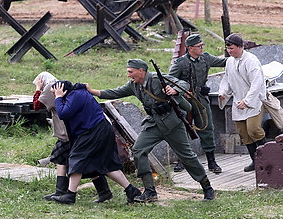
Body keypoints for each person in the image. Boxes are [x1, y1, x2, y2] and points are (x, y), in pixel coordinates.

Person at [87, 59, 216, 202]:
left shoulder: (156, 79)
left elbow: (183, 84)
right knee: (138, 150)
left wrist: (174, 90)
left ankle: (207, 188)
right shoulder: (134, 85)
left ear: (141, 71)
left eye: (131, 72)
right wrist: (92, 91)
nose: (129, 75)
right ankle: (150, 191)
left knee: (187, 156)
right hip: (153, 123)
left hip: (172, 124)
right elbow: (115, 92)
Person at [50, 80, 141, 204]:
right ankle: (131, 191)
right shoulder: (76, 94)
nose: (54, 96)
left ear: (62, 90)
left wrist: (59, 97)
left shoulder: (76, 95)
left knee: (77, 158)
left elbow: (63, 113)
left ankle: (70, 195)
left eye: (54, 92)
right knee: (106, 164)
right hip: (97, 130)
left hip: (94, 131)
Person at [32, 72, 113, 203]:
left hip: (68, 132)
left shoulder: (49, 88)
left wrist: (37, 88)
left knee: (77, 161)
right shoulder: (61, 87)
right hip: (68, 131)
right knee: (63, 158)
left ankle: (68, 192)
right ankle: (100, 191)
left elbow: (36, 106)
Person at [169, 34, 227, 173]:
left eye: (202, 45)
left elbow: (224, 62)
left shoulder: (206, 58)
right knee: (183, 130)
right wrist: (181, 91)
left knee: (207, 128)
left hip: (200, 99)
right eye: (199, 46)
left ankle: (212, 162)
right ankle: (182, 160)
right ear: (189, 48)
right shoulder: (181, 63)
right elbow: (170, 80)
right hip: (185, 100)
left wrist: (239, 55)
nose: (202, 48)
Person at [218, 33, 266, 172]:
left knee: (254, 130)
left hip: (254, 101)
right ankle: (255, 161)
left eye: (232, 48)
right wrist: (223, 93)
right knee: (244, 134)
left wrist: (247, 101)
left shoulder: (251, 60)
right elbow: (226, 79)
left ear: (240, 47)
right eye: (228, 48)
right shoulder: (229, 62)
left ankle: (266, 158)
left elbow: (257, 83)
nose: (229, 51)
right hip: (238, 102)